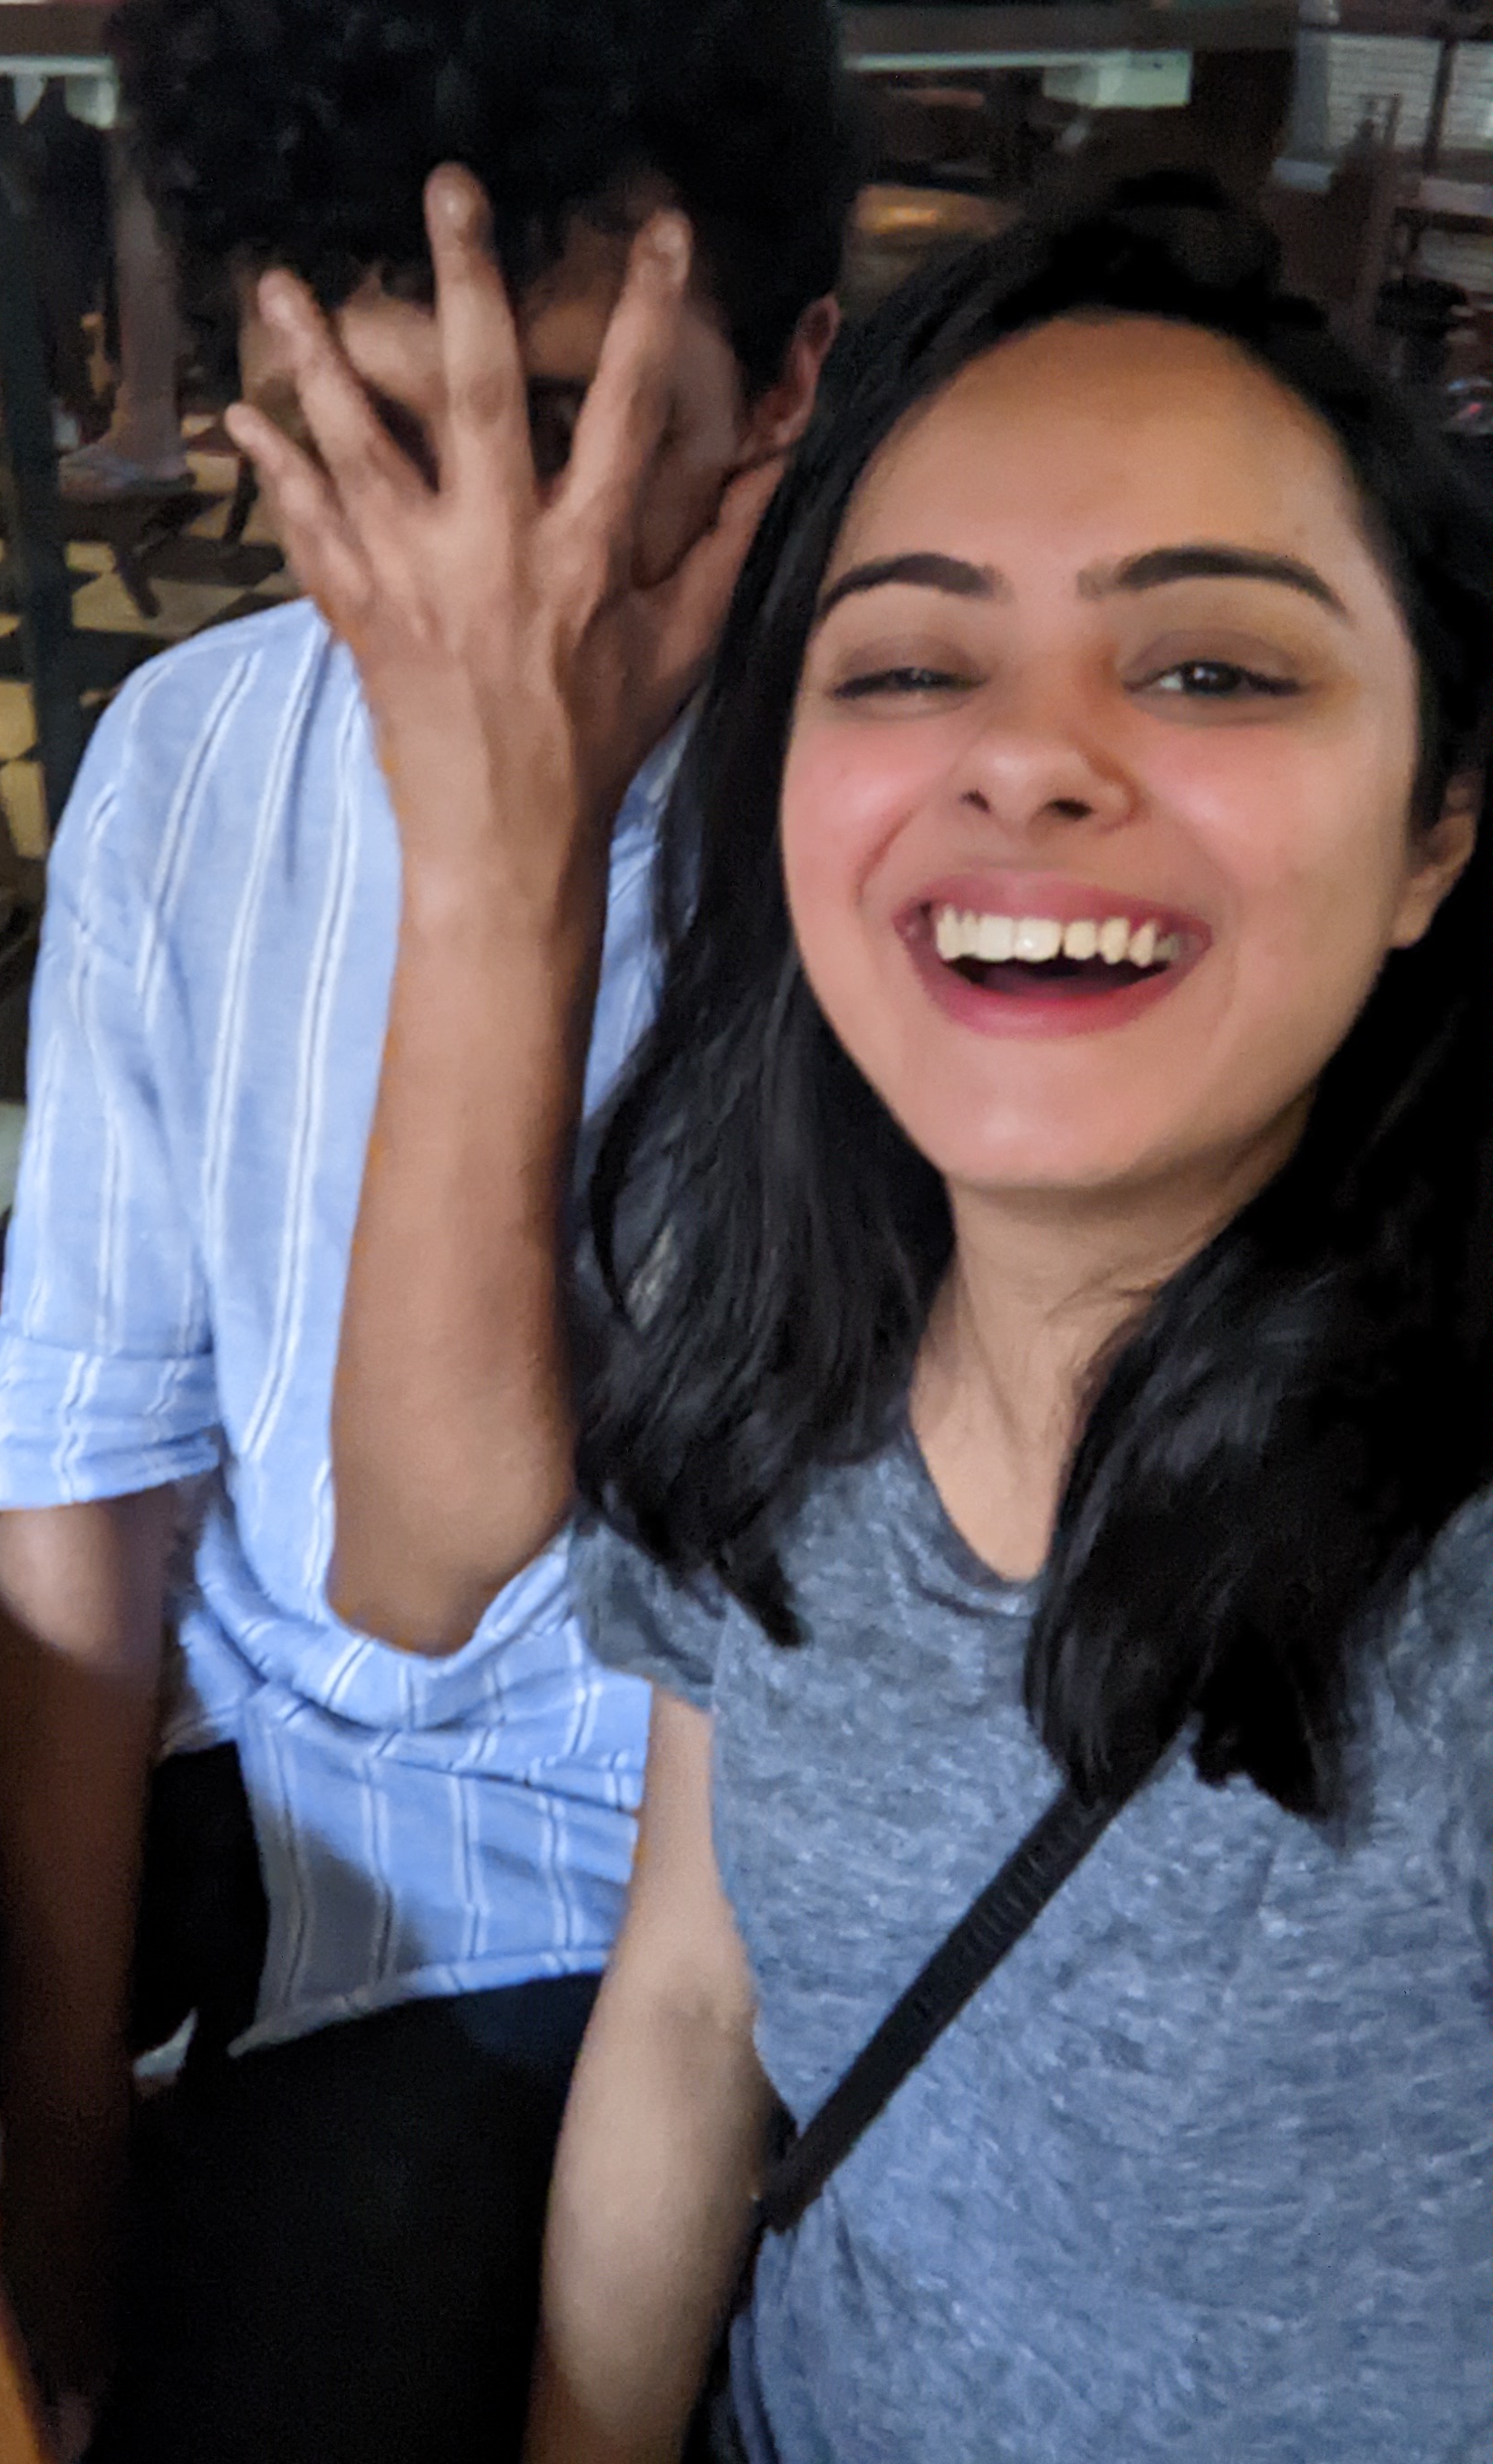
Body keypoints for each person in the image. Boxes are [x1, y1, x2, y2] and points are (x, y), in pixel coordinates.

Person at [314, 175, 1493, 2457]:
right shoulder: (757, 1297)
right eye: (911, 667)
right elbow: (693, 1997)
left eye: (1214, 667)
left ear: (1437, 827)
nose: (1028, 757)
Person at [0, 0, 847, 2464]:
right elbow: (93, 1468)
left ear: (783, 394)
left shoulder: (887, 844)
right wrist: (65, 2184)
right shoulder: (189, 754)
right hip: (249, 1761)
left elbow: (449, 1571)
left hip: (623, 1917)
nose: (463, 556)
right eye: (370, 438)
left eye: (563, 430)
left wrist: (511, 848)